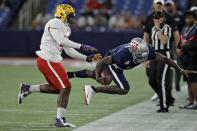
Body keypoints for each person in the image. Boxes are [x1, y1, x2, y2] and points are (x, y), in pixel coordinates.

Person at [18, 4, 102, 127]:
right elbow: (61, 41)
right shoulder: (55, 22)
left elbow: (68, 50)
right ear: (62, 14)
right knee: (66, 87)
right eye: (70, 16)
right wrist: (82, 46)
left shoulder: (65, 27)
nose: (72, 19)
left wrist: (87, 58)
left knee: (58, 89)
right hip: (48, 60)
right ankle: (59, 119)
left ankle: (27, 88)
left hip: (51, 60)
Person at [67, 38, 196, 113]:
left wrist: (181, 70)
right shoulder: (122, 55)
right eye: (140, 55)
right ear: (133, 51)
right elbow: (102, 62)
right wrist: (98, 74)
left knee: (103, 77)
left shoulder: (148, 50)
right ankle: (92, 89)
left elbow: (166, 59)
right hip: (114, 63)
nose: (143, 58)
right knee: (117, 85)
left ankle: (73, 74)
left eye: (145, 54)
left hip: (120, 64)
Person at [143, 0, 180, 101]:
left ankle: (166, 98)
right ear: (153, 5)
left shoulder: (168, 18)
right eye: (157, 3)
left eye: (161, 3)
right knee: (151, 75)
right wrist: (145, 53)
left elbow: (176, 35)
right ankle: (161, 94)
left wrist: (175, 50)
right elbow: (146, 36)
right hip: (153, 52)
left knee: (165, 77)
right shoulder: (149, 18)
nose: (159, 5)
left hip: (166, 51)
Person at [177, 10, 197, 109]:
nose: (188, 19)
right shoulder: (184, 28)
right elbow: (180, 42)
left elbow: (194, 45)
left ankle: (196, 102)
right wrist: (178, 49)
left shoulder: (196, 29)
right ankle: (191, 101)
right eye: (186, 18)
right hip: (184, 58)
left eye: (190, 17)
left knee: (193, 80)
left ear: (195, 19)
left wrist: (183, 50)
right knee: (188, 80)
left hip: (193, 58)